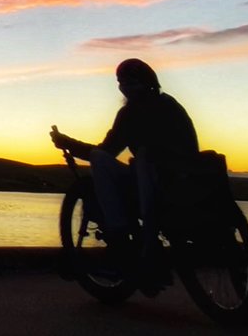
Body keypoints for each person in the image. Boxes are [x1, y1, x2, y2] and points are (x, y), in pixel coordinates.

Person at [50, 58, 199, 291]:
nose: (125, 87)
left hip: (170, 182)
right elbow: (105, 151)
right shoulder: (131, 113)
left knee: (143, 159)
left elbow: (184, 150)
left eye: (131, 82)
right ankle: (123, 243)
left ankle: (132, 244)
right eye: (121, 82)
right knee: (108, 159)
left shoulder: (165, 108)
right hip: (155, 180)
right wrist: (69, 144)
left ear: (147, 82)